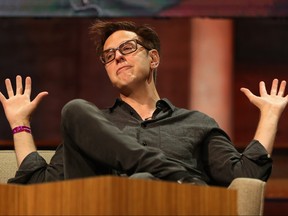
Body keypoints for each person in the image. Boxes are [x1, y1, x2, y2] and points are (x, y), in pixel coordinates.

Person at [0, 20, 287, 186]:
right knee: (75, 109)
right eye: (109, 56)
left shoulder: (196, 123)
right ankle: (166, 171)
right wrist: (19, 124)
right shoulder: (93, 126)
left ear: (153, 59)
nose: (117, 58)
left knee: (143, 181)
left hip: (170, 206)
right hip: (103, 208)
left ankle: (155, 175)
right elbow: (38, 184)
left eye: (127, 48)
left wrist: (270, 115)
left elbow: (246, 175)